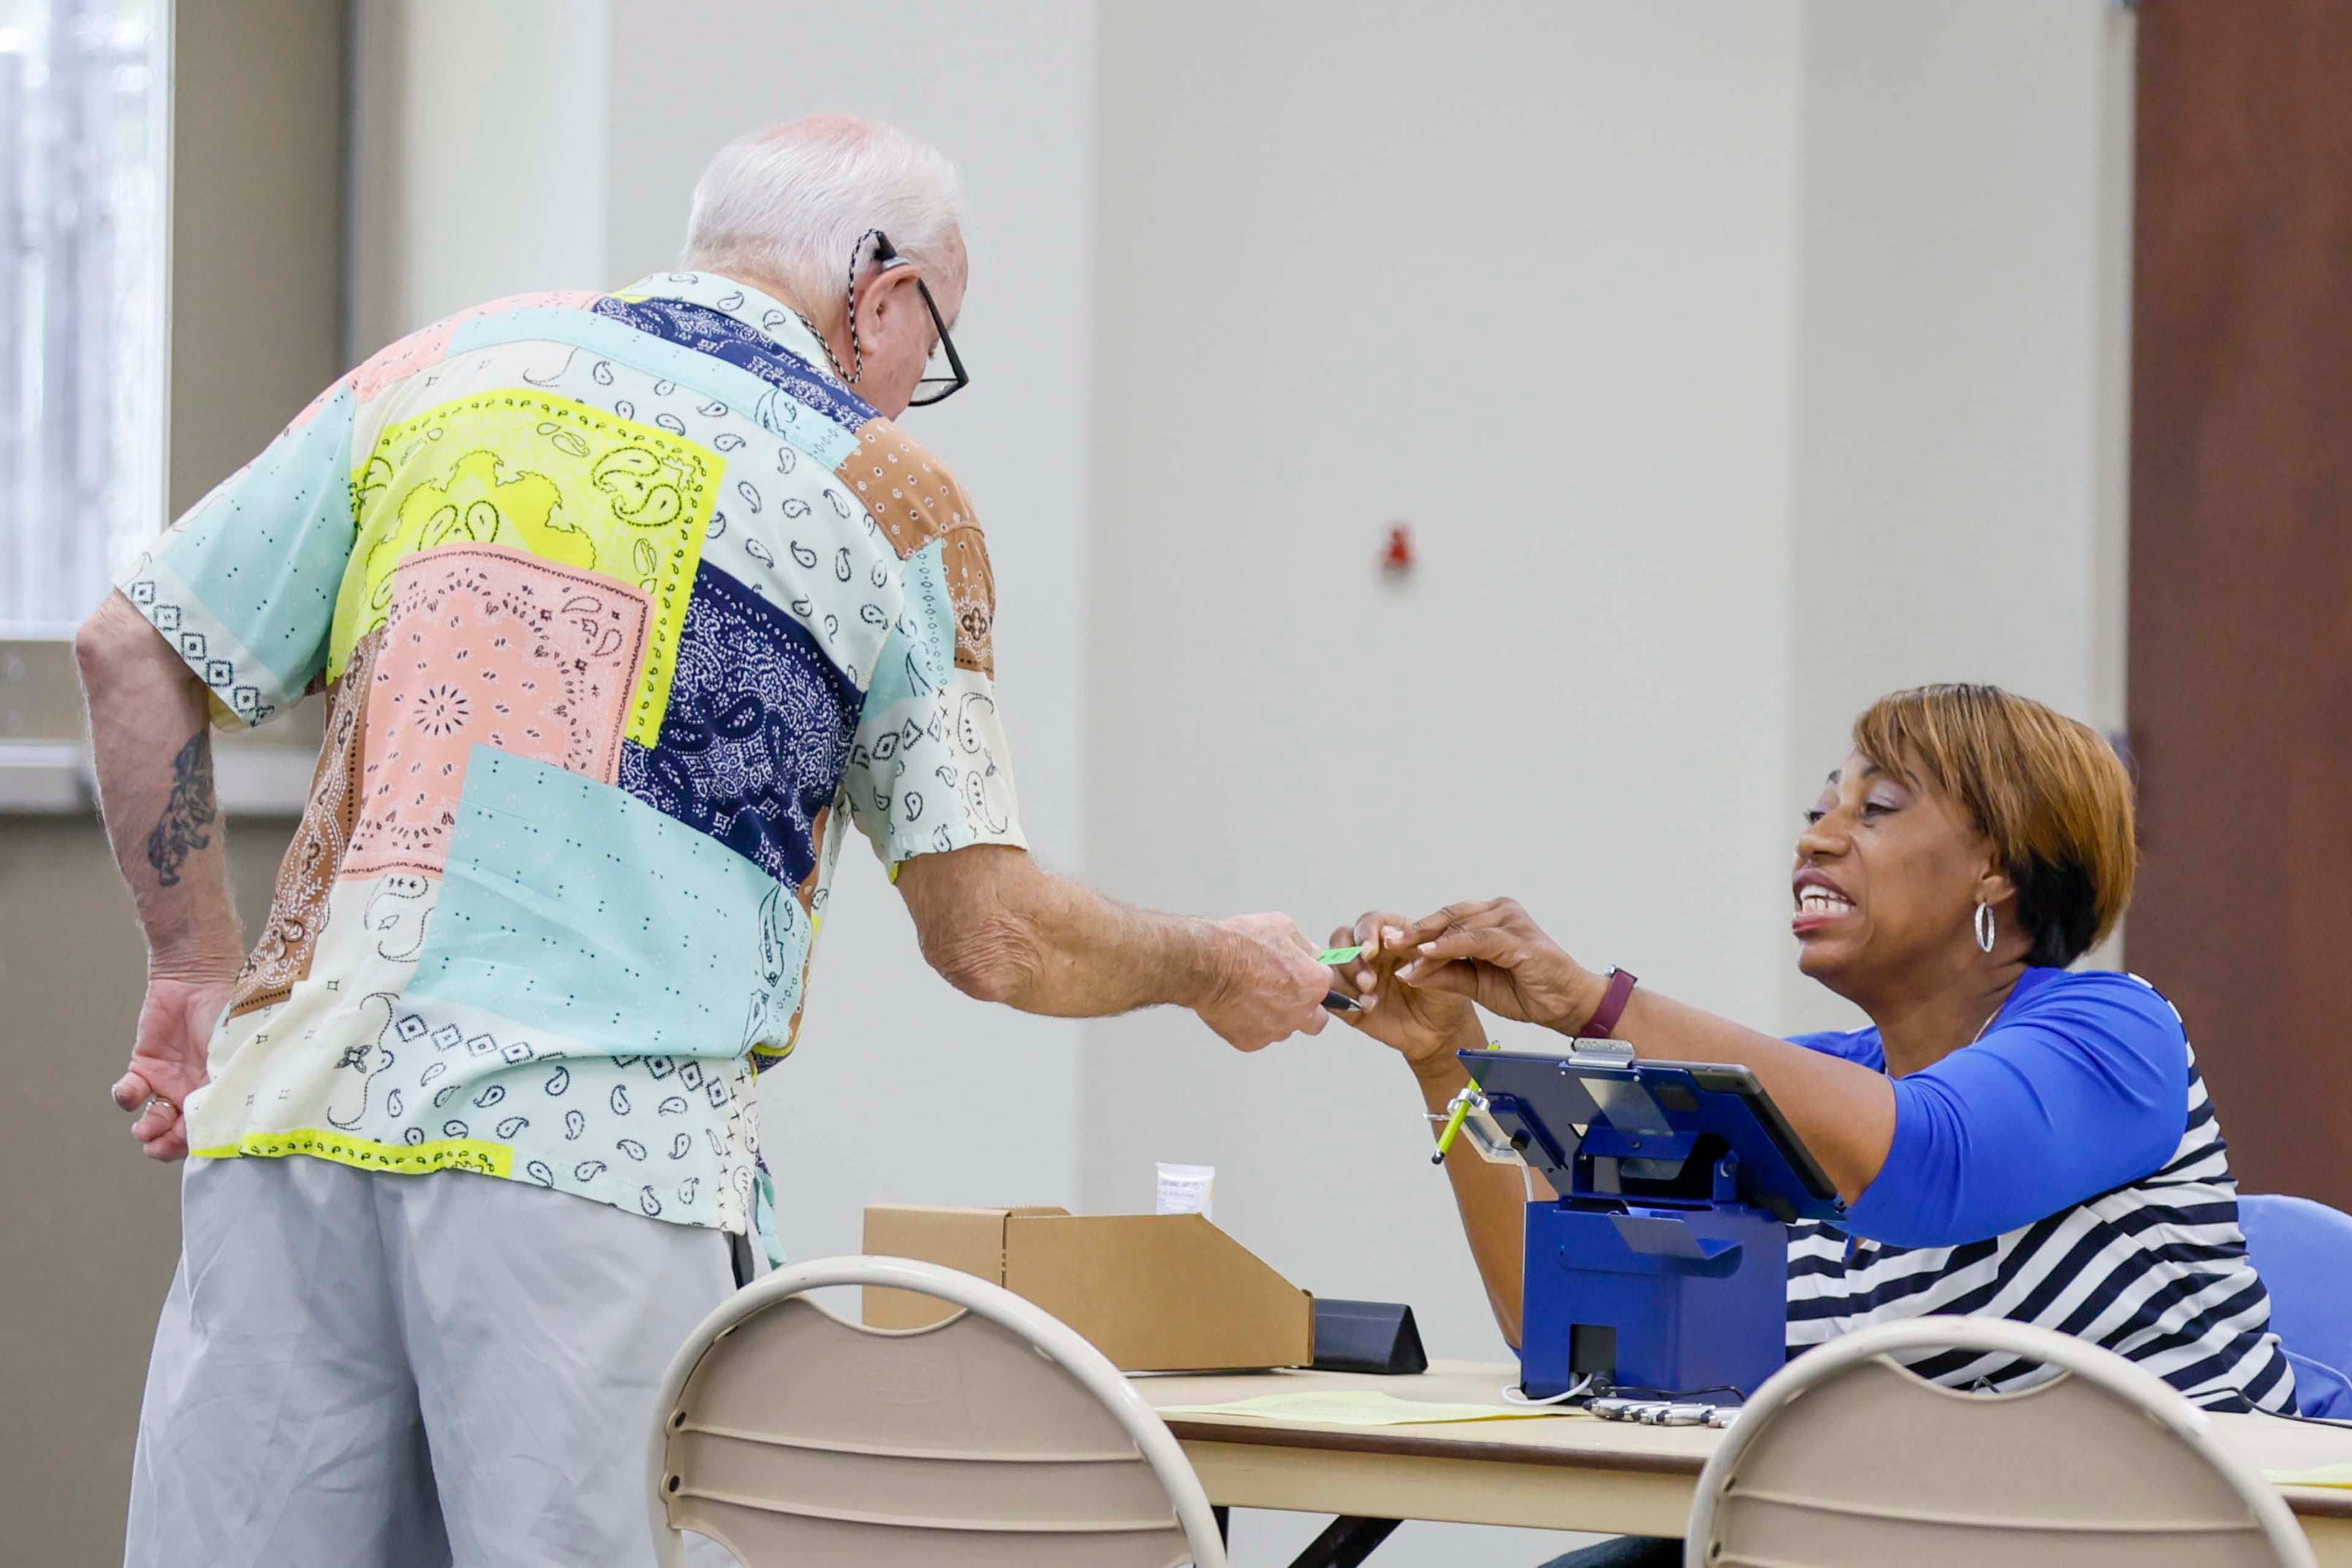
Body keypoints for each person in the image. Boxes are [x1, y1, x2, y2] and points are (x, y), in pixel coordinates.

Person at [75, 115, 1331, 1568]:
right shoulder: (891, 493)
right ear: (883, 288)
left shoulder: (448, 363)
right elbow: (995, 934)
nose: (919, 390)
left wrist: (191, 967)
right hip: (587, 1165)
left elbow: (128, 648)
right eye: (936, 342)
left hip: (289, 1121)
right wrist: (1212, 965)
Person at [1327, 684, 2296, 1568]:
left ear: (1996, 868)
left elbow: (1930, 1166)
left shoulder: (2117, 1033)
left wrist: (1594, 1003)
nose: (1817, 841)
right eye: (1816, 813)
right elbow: (1574, 1319)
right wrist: (1446, 1055)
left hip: (2153, 1539)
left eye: (1874, 810)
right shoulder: (1821, 1083)